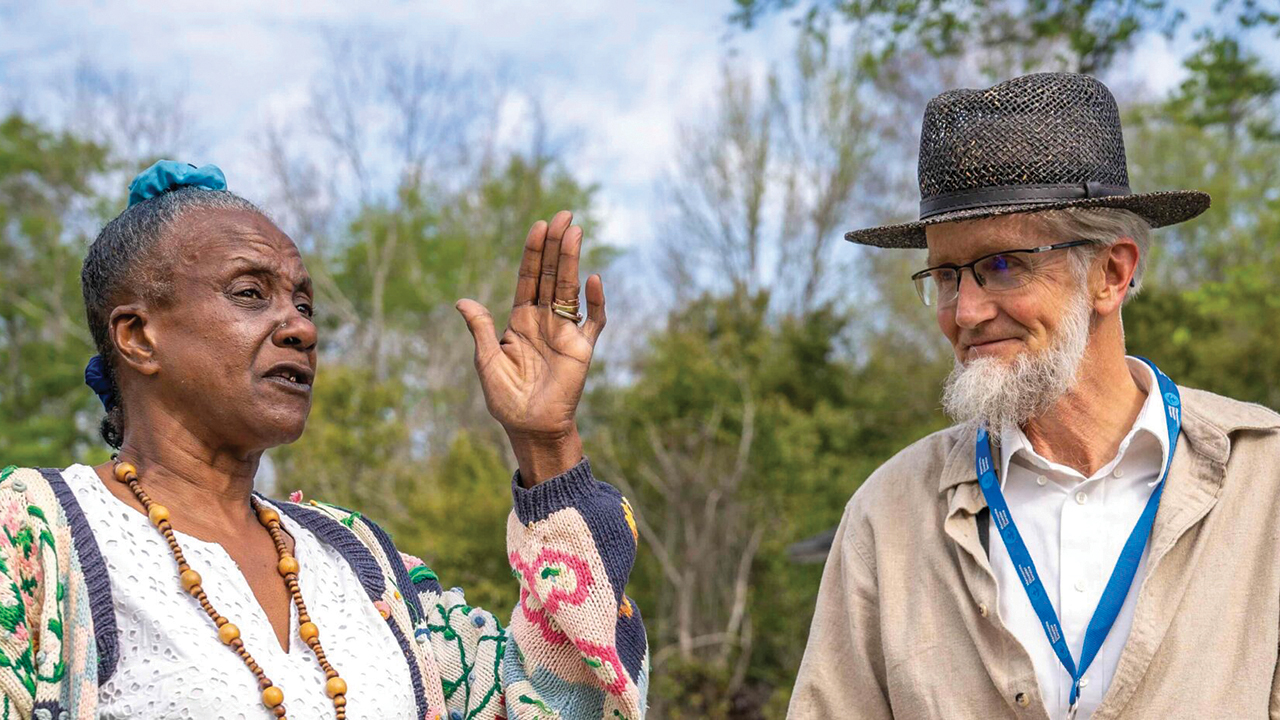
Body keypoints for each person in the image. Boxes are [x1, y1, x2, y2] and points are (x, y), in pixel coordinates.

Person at [0, 161, 648, 720]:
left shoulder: (360, 564)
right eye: (250, 294)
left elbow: (553, 699)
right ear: (138, 336)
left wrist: (545, 443)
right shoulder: (37, 535)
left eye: (305, 306)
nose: (300, 330)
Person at [789, 72, 1280, 719]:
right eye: (944, 274)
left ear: (1111, 273)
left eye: (1001, 266)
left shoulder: (1263, 484)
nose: (964, 312)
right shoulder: (888, 518)